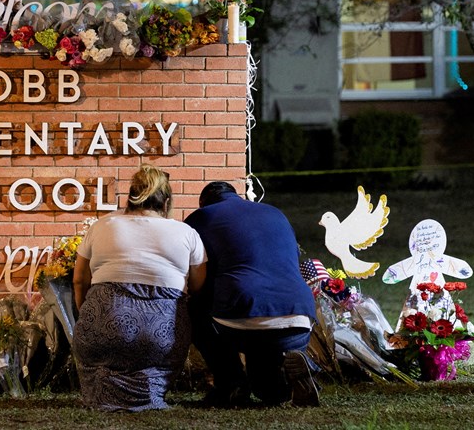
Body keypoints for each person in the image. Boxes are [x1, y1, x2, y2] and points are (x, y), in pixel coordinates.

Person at [72, 163, 207, 412]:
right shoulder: (187, 233)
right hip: (160, 335)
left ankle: (102, 395)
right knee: (157, 355)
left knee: (101, 352)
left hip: (103, 327)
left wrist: (86, 317)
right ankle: (149, 395)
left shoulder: (102, 225)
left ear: (131, 198)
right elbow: (198, 286)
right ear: (165, 203)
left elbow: (79, 280)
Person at [184, 181, 320, 407]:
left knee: (193, 306)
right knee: (268, 393)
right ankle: (293, 375)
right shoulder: (275, 213)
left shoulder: (201, 218)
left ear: (204, 203)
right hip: (300, 316)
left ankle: (230, 385)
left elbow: (194, 273)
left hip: (243, 319)